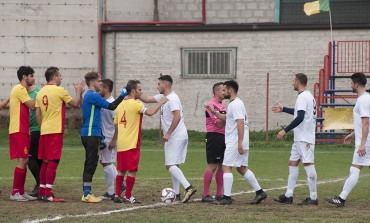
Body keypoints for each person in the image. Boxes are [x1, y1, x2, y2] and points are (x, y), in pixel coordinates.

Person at [208, 80, 267, 205]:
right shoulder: (234, 104)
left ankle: (227, 197)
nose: (223, 93)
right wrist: (214, 112)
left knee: (225, 166)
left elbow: (240, 122)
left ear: (230, 90)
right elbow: (227, 118)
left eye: (224, 90)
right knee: (241, 168)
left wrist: (239, 142)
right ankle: (260, 192)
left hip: (235, 141)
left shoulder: (236, 104)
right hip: (239, 141)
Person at [140, 75, 197, 203]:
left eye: (159, 84)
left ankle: (188, 187)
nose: (157, 86)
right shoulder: (162, 97)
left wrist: (168, 133)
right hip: (176, 136)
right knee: (174, 164)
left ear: (165, 85)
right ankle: (176, 194)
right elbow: (147, 99)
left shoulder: (173, 98)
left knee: (170, 165)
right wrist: (133, 89)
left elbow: (177, 116)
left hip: (176, 136)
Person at [111, 80, 168, 203]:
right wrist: (161, 102)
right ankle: (127, 196)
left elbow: (115, 125)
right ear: (133, 91)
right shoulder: (135, 104)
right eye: (140, 90)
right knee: (132, 170)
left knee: (121, 170)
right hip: (132, 143)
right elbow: (150, 112)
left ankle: (116, 195)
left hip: (121, 143)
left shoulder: (120, 105)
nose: (141, 92)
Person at [35, 66, 84, 202]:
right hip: (55, 130)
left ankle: (42, 192)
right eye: (60, 76)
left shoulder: (40, 92)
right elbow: (75, 104)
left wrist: (43, 127)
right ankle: (48, 194)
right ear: (55, 77)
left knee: (45, 161)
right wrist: (78, 91)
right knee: (53, 160)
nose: (61, 78)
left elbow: (37, 113)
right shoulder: (59, 90)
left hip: (44, 131)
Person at [80, 71, 127, 203]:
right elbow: (112, 106)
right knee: (90, 164)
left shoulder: (89, 95)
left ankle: (88, 193)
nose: (101, 83)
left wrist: (101, 138)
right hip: (90, 135)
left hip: (92, 135)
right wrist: (123, 94)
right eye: (99, 81)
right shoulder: (92, 95)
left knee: (93, 164)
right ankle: (86, 195)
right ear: (92, 82)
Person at [272, 73, 318, 205]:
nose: (292, 83)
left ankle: (313, 198)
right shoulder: (308, 96)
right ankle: (288, 195)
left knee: (309, 165)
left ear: (298, 82)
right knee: (292, 164)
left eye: (294, 80)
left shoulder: (303, 97)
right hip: (300, 138)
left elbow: (300, 117)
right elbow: (299, 112)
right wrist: (283, 109)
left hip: (304, 138)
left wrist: (284, 130)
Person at [326, 73, 370, 207]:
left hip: (366, 142)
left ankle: (341, 198)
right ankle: (341, 198)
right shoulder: (366, 98)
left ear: (356, 84)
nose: (350, 85)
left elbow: (366, 122)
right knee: (356, 168)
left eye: (351, 83)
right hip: (365, 140)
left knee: (355, 168)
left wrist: (362, 143)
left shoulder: (363, 100)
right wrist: (353, 134)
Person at [9, 66, 37, 201]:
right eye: (31, 75)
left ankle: (20, 191)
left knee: (25, 160)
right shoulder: (19, 88)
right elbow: (32, 105)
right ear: (24, 77)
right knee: (23, 159)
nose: (33, 78)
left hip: (24, 129)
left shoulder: (22, 90)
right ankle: (15, 192)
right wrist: (44, 97)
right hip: (18, 129)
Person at [98, 79, 124, 200]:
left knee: (106, 162)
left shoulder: (112, 104)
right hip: (105, 137)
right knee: (105, 162)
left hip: (110, 137)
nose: (99, 89)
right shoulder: (104, 102)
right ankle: (112, 190)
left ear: (106, 89)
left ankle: (115, 189)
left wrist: (114, 140)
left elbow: (117, 124)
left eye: (101, 87)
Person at [202, 82, 227, 203]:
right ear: (216, 92)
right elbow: (218, 123)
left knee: (221, 165)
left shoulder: (222, 106)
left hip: (223, 136)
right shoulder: (211, 105)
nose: (225, 92)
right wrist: (226, 118)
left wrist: (225, 118)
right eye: (223, 90)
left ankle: (219, 194)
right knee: (212, 165)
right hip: (214, 136)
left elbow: (225, 119)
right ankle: (205, 194)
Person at [27, 84, 42, 197]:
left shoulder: (39, 92)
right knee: (36, 158)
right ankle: (41, 185)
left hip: (36, 129)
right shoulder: (21, 93)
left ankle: (40, 184)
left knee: (30, 158)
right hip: (27, 130)